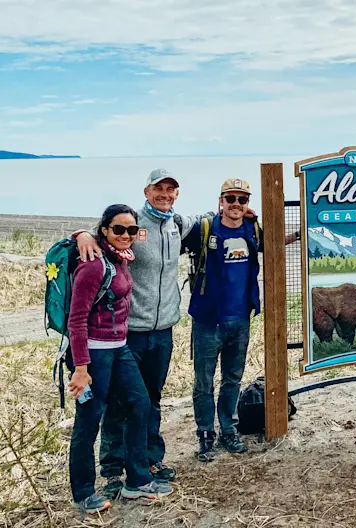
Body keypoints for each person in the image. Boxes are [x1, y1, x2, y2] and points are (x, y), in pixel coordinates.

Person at [75, 169, 218, 497]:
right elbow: (98, 236)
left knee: (150, 399)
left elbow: (205, 217)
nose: (165, 195)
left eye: (171, 190)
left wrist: (230, 209)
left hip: (163, 330)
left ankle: (149, 459)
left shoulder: (176, 224)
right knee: (118, 402)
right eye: (159, 189)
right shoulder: (130, 223)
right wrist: (80, 232)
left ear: (176, 195)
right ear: (147, 190)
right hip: (129, 333)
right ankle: (112, 469)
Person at [182, 178, 298, 461]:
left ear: (248, 202)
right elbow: (169, 235)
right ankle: (205, 434)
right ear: (221, 200)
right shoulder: (204, 228)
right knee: (203, 381)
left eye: (242, 199)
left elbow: (271, 243)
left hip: (240, 319)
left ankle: (228, 430)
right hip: (208, 320)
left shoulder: (251, 229)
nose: (236, 204)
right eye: (230, 198)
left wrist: (298, 234)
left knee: (232, 379)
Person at [67, 205, 173, 515]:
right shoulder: (93, 265)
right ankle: (83, 492)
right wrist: (81, 368)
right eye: (118, 230)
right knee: (88, 421)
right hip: (95, 354)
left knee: (140, 403)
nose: (125, 235)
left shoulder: (120, 258)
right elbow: (77, 320)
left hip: (119, 347)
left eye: (130, 230)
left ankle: (136, 481)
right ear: (104, 231)